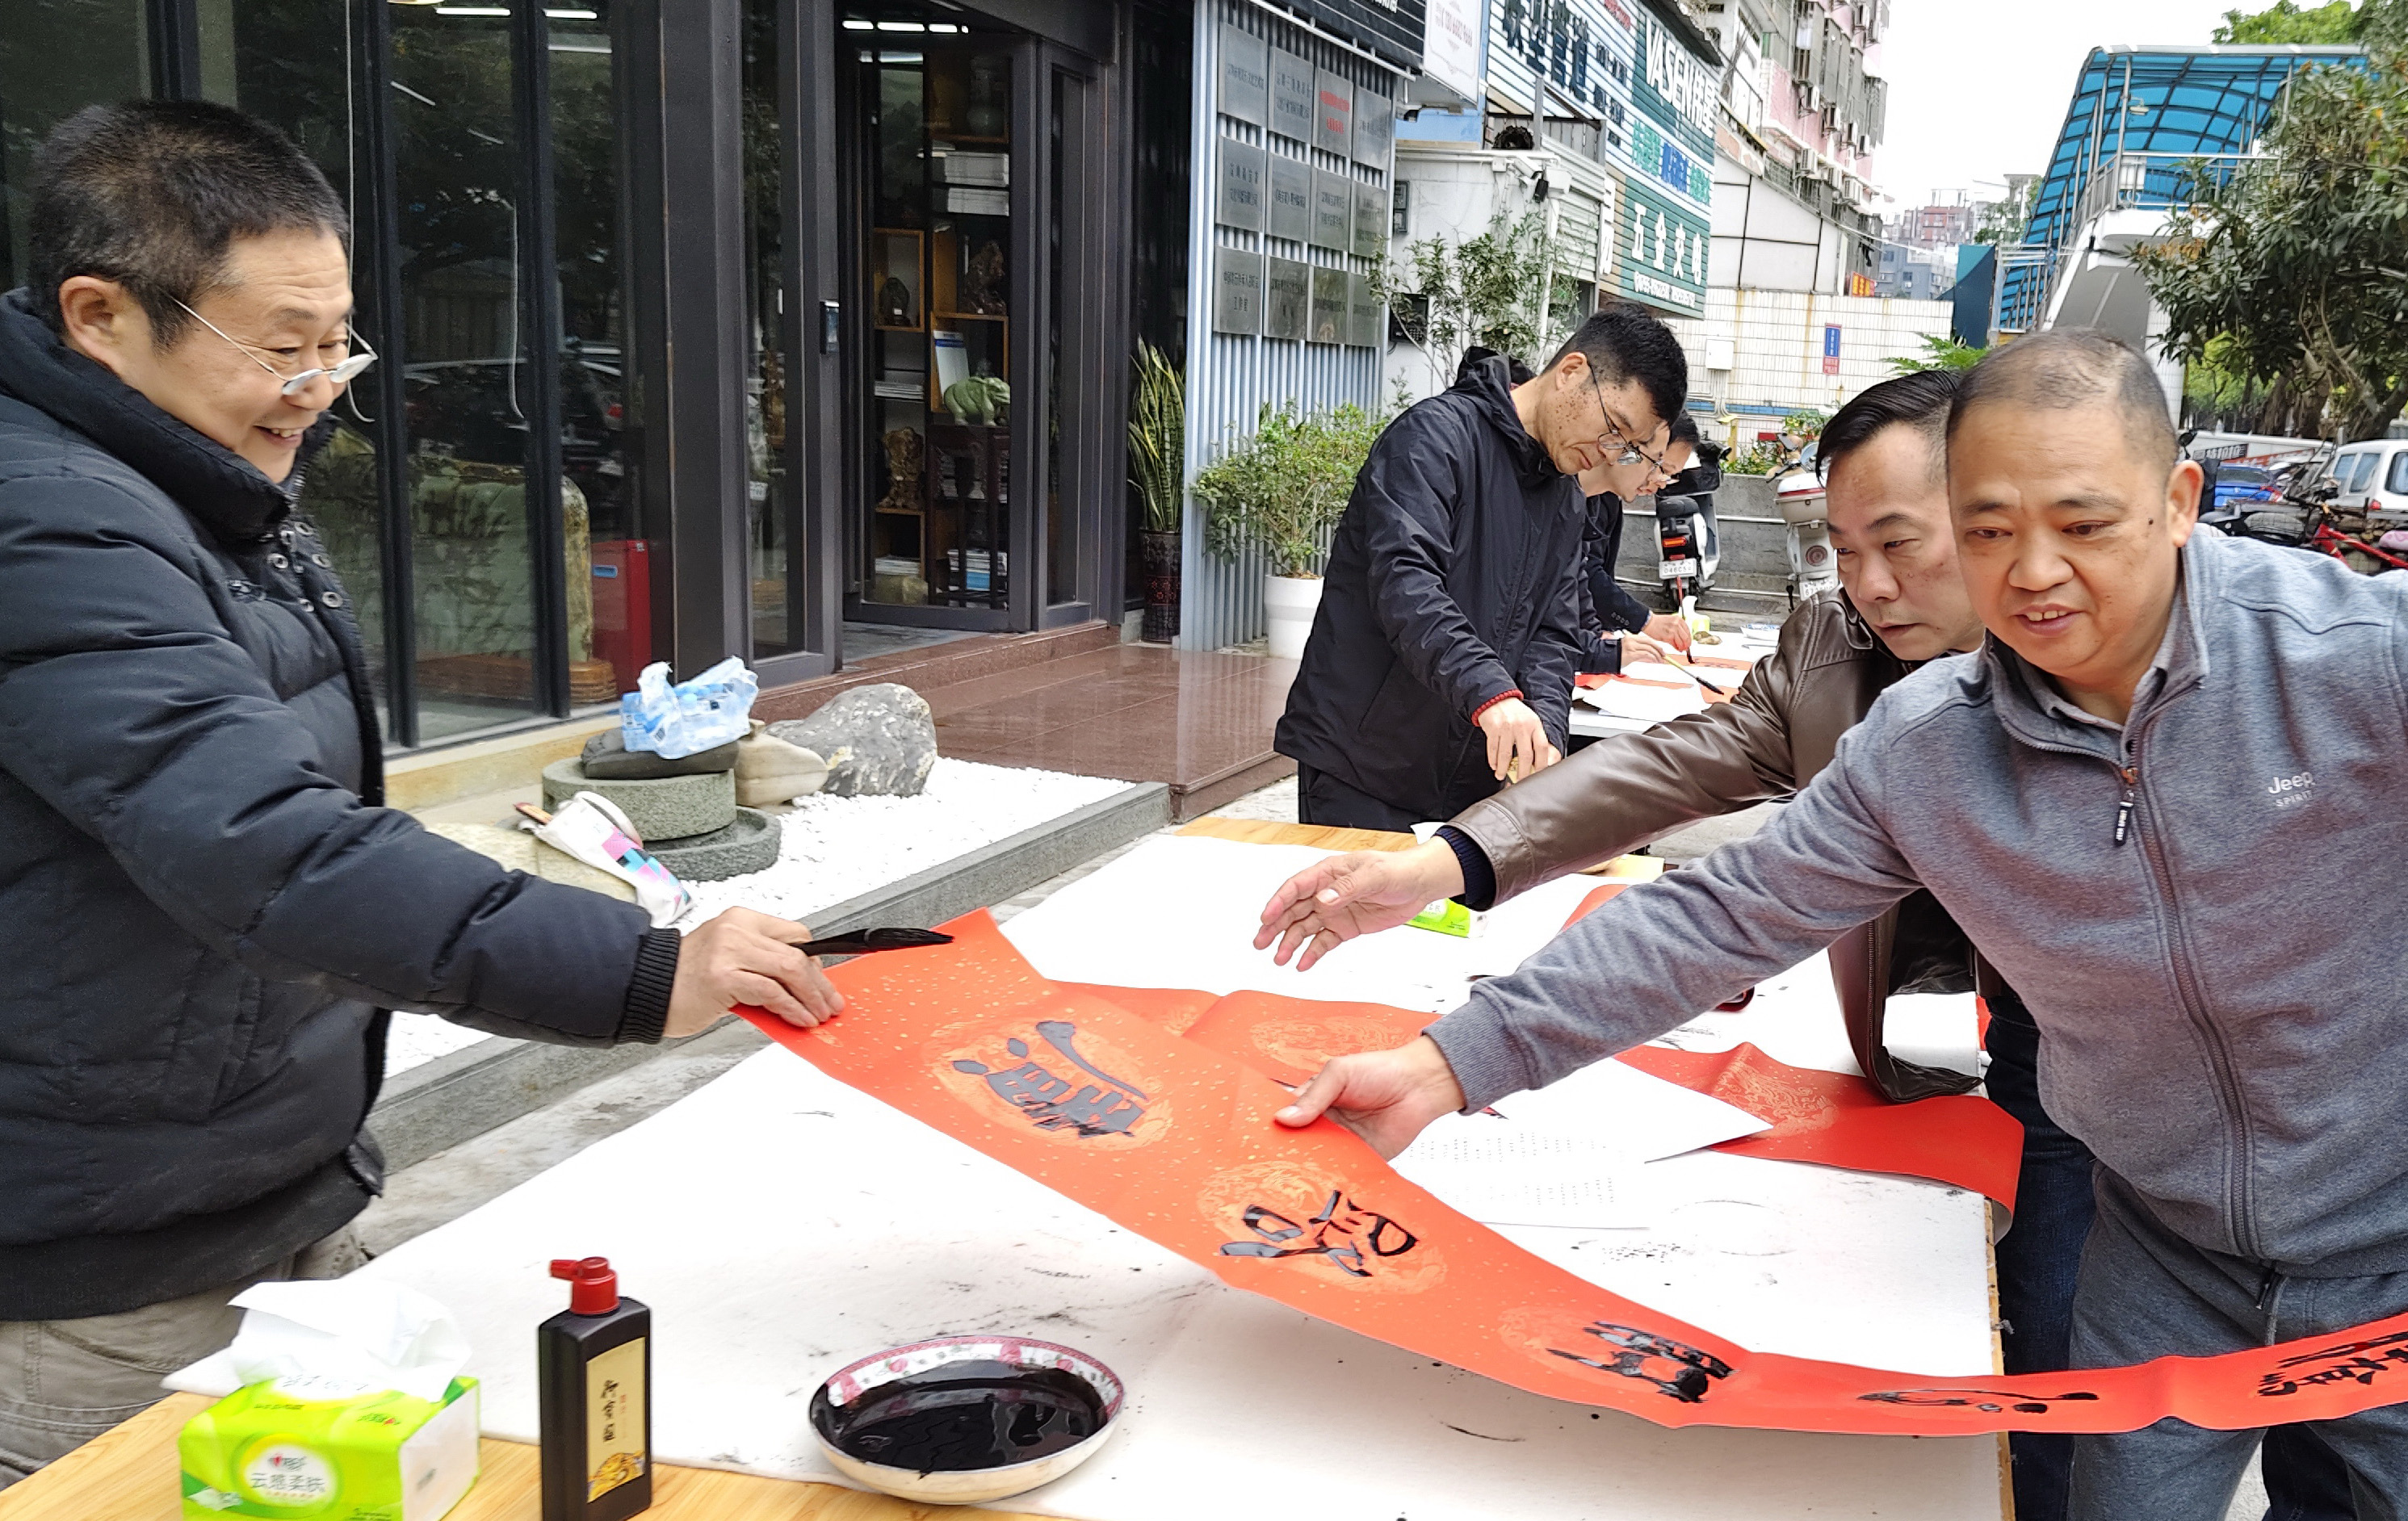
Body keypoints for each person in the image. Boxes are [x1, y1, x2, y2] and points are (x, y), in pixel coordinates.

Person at [1268, 329, 2395, 1521]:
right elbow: (1721, 908)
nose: (2034, 571)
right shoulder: (1928, 741)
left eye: (2081, 523)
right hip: (2162, 1237)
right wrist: (1447, 1060)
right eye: (1990, 530)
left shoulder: (2354, 662)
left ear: (2176, 503)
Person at [0, 101, 841, 1486]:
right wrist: (637, 972)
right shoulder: (51, 520)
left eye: (337, 342)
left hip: (245, 1183)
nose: (316, 385)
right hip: (105, 1260)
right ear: (101, 316)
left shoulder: (182, 475)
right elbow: (265, 845)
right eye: (280, 346)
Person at [1273, 304, 1689, 830]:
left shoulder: (1563, 496)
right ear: (1572, 372)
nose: (1611, 454)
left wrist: (1545, 739)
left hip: (1471, 778)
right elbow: (1406, 583)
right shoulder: (1435, 438)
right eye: (1614, 430)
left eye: (1627, 449)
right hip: (1364, 763)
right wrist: (1491, 692)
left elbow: (1553, 634)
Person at [1578, 416, 1696, 676]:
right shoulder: (1570, 497)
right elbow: (1584, 575)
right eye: (1659, 466)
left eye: (1669, 476)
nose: (1659, 481)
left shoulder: (1602, 498)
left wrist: (1597, 638)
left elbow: (1578, 580)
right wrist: (1644, 621)